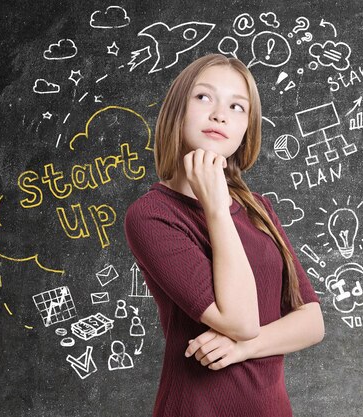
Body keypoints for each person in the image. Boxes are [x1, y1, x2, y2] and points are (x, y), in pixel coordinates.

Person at [124, 53, 324, 417]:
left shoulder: (258, 208)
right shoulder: (152, 215)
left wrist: (244, 348)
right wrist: (215, 207)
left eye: (237, 107)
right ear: (177, 110)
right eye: (204, 97)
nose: (220, 114)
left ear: (246, 128)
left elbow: (311, 321)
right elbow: (241, 321)